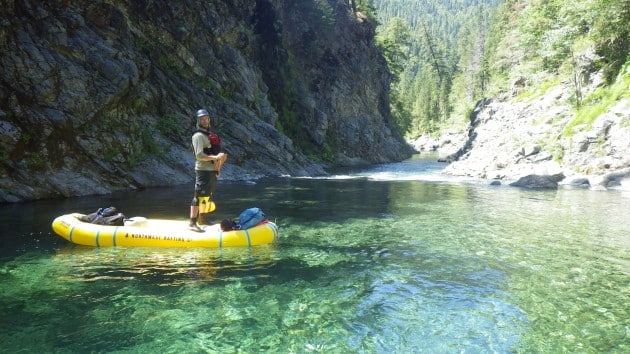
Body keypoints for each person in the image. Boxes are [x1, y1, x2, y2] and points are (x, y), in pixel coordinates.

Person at [188, 109, 227, 232]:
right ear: (198, 121)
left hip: (212, 170)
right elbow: (199, 155)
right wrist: (215, 157)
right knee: (198, 196)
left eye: (206, 118)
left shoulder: (209, 134)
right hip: (203, 170)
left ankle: (203, 219)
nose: (205, 120)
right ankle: (192, 223)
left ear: (209, 119)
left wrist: (218, 165)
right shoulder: (198, 136)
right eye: (202, 119)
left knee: (207, 196)